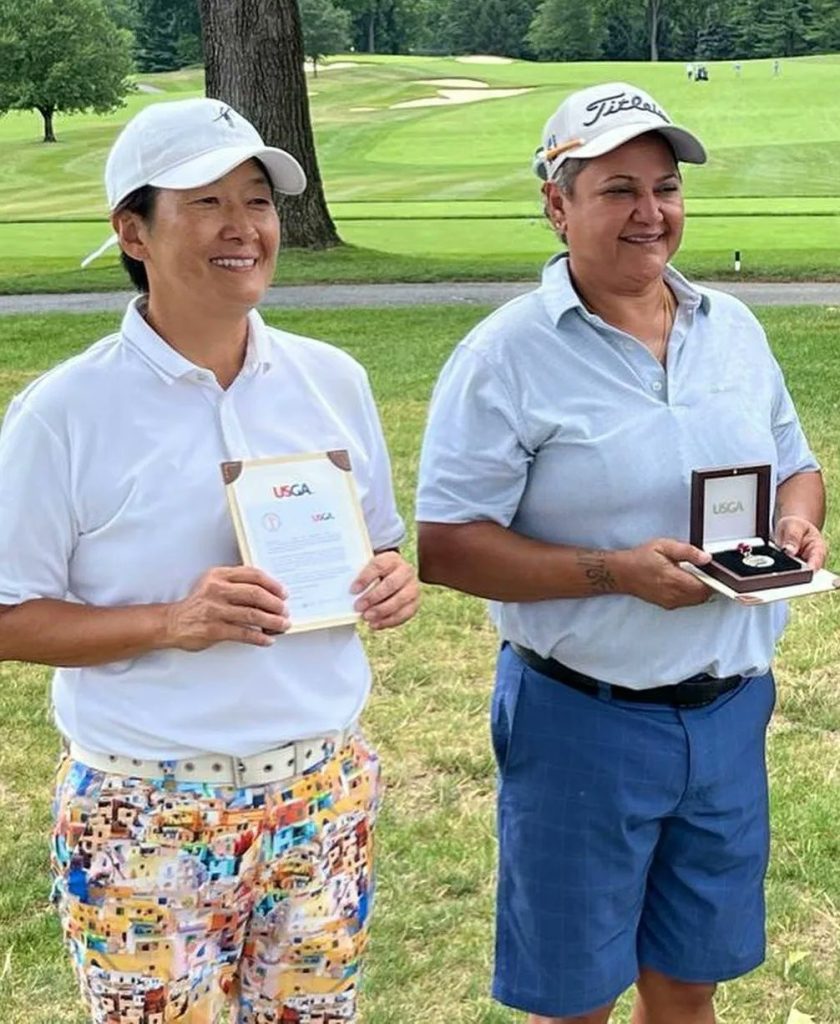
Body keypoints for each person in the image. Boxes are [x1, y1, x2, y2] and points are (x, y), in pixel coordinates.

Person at [0, 98, 419, 1024]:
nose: (245, 228)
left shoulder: (333, 379)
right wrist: (170, 623)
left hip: (322, 792)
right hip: (144, 809)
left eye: (258, 200)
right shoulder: (62, 415)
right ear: (132, 231)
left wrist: (391, 579)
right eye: (206, 202)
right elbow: (7, 616)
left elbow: (377, 543)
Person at [416, 81, 826, 1024]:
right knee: (576, 996)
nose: (652, 213)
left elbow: (797, 466)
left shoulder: (734, 328)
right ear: (557, 205)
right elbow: (447, 546)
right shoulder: (503, 355)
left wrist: (800, 524)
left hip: (729, 710)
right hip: (581, 720)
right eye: (617, 189)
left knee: (689, 982)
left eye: (666, 187)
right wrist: (612, 573)